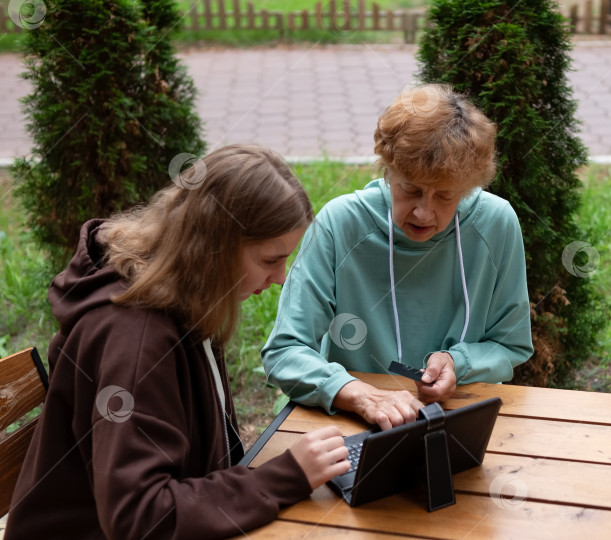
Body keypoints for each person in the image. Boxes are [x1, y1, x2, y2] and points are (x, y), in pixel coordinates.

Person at [6, 145, 350, 539]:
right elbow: (139, 516)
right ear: (216, 248)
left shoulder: (187, 297)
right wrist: (282, 478)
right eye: (270, 260)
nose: (279, 278)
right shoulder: (136, 343)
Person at [262, 84, 533, 431]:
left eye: (445, 196)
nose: (423, 212)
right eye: (411, 189)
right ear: (388, 170)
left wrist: (458, 362)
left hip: (462, 416)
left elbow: (510, 344)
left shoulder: (496, 223)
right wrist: (358, 394)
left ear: (467, 189)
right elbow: (284, 351)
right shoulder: (339, 224)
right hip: (360, 422)